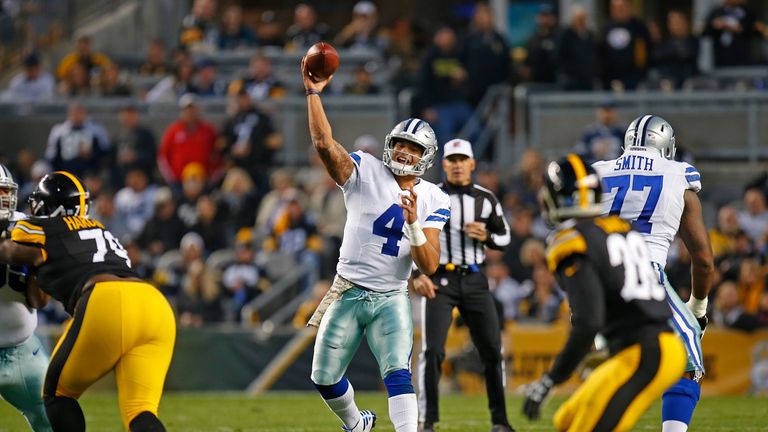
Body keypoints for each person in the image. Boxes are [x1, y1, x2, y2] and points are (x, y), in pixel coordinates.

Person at [302, 55, 451, 432]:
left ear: (426, 157)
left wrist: (414, 223)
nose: (404, 152)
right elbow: (323, 144)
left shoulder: (434, 197)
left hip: (390, 296)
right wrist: (313, 94)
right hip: (348, 290)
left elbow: (430, 264)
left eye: (414, 148)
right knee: (323, 376)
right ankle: (356, 423)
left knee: (397, 372)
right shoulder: (366, 169)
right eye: (400, 144)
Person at [0, 171, 176, 431]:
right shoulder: (99, 228)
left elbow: (6, 251)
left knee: (56, 394)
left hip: (108, 300)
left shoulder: (37, 227)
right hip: (155, 305)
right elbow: (39, 295)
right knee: (140, 411)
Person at [522, 154, 686, 431]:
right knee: (567, 420)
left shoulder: (571, 240)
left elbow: (589, 321)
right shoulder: (620, 228)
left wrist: (551, 379)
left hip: (645, 352)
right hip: (648, 345)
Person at [593, 115, 715, 432]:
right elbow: (702, 259)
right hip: (644, 274)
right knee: (686, 364)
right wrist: (698, 308)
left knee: (619, 368)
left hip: (596, 279)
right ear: (667, 147)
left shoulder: (598, 172)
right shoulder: (678, 174)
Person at [412, 139, 513, 432]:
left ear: (472, 163)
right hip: (439, 279)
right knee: (432, 351)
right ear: (444, 164)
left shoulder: (485, 198)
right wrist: (418, 275)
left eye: (462, 159)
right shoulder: (428, 194)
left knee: (492, 350)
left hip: (474, 278)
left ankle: (500, 420)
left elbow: (505, 237)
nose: (457, 165)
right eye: (452, 160)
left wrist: (486, 236)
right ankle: (426, 421)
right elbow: (412, 235)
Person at [0, 164, 52, 431]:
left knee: (54, 420)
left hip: (22, 350)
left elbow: (40, 300)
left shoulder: (26, 227)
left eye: (4, 191)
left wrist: (35, 267)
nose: (4, 197)